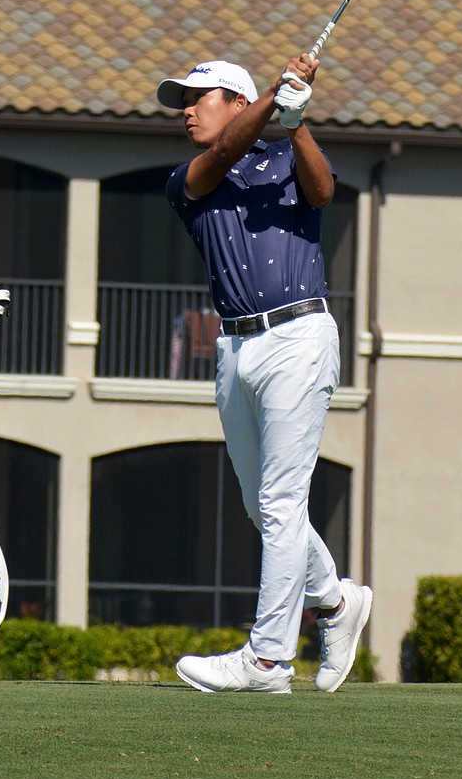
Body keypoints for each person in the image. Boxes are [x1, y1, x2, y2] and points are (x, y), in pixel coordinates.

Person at [156, 55, 372, 694]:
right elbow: (223, 152)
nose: (187, 110)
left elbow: (325, 192)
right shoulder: (190, 177)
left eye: (199, 97)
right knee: (263, 506)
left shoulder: (286, 159)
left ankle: (269, 659)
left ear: (236, 98)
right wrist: (277, 98)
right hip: (234, 348)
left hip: (300, 335)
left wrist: (296, 119)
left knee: (280, 503)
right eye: (183, 101)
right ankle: (335, 604)